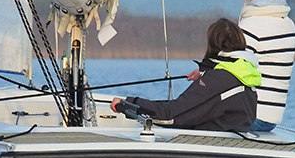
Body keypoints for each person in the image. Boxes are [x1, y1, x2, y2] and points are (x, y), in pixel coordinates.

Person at [111, 18, 260, 132]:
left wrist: (128, 104)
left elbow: (171, 116)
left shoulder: (219, 79)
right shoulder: (245, 74)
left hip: (209, 148)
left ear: (212, 45)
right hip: (232, 141)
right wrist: (207, 71)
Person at [238, 0, 295, 131]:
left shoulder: (251, 24)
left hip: (250, 115)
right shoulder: (289, 24)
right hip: (271, 119)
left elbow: (235, 69)